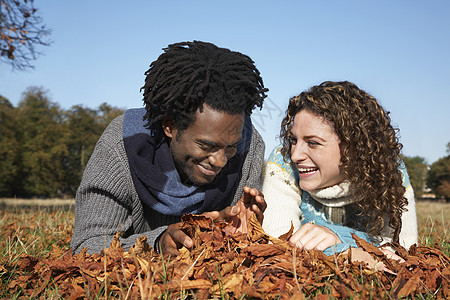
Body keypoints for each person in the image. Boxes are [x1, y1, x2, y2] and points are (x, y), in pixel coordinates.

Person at [71, 41, 268, 256]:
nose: (220, 161)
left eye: (231, 147)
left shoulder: (249, 145)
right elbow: (87, 245)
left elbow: (244, 238)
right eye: (206, 146)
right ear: (170, 126)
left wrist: (241, 233)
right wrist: (158, 243)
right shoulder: (122, 146)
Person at [262, 81, 418, 256]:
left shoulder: (387, 171)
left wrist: (340, 239)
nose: (295, 155)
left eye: (313, 143)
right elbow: (277, 244)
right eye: (293, 140)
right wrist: (358, 251)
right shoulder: (282, 163)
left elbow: (403, 253)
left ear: (353, 147)